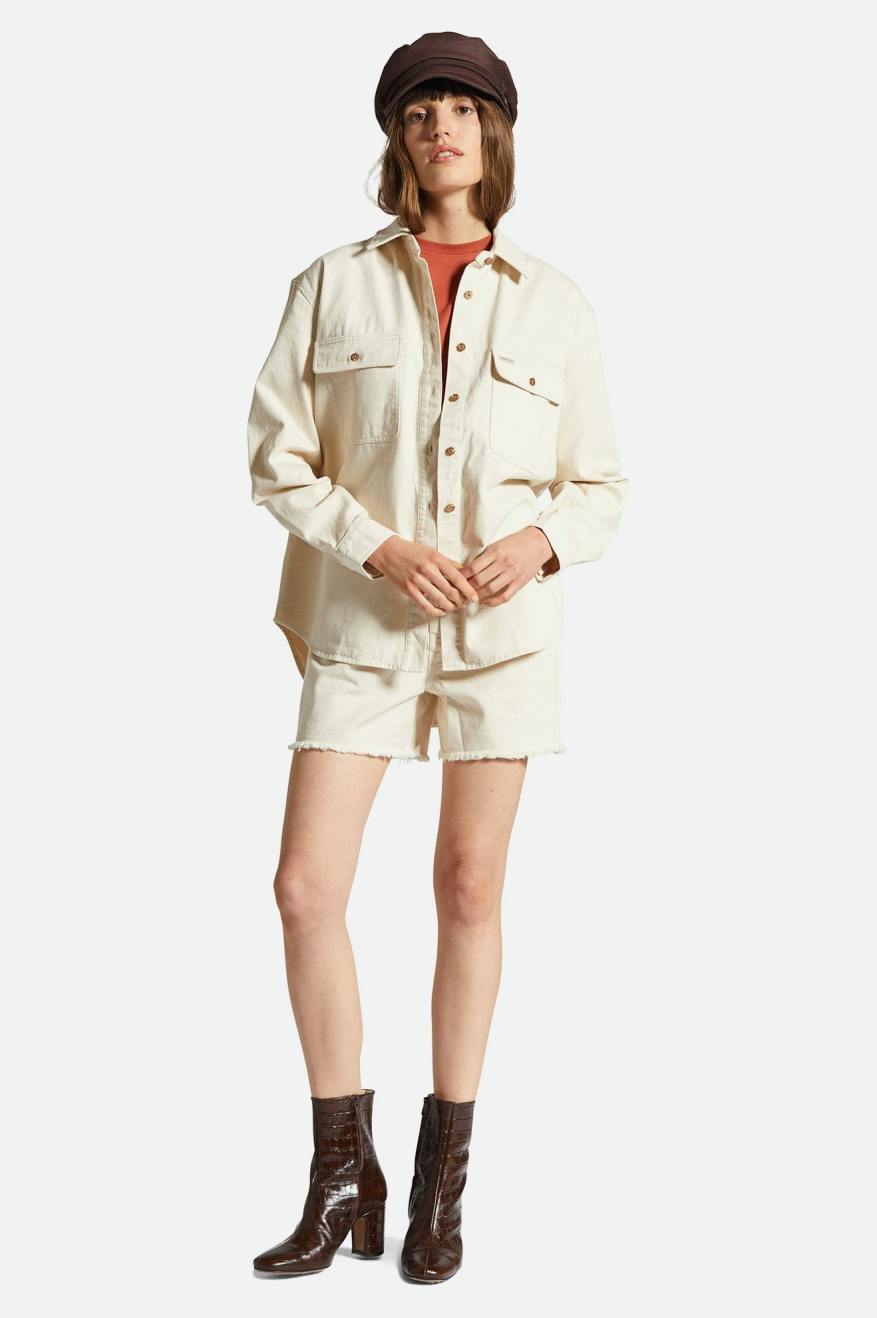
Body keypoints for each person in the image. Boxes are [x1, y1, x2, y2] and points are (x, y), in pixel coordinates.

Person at [245, 30, 629, 1285]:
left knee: (469, 889)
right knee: (305, 886)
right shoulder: (331, 285)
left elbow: (600, 486)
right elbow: (276, 458)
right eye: (418, 113)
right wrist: (378, 546)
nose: (440, 129)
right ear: (396, 141)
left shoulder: (554, 302)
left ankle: (437, 1186)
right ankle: (339, 1174)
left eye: (462, 110)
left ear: (493, 135)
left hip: (499, 639)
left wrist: (537, 543)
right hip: (362, 625)